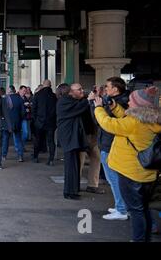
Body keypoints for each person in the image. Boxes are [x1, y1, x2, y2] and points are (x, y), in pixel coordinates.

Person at [93, 86, 161, 242]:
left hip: (131, 173)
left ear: (138, 106)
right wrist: (114, 107)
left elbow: (109, 124)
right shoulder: (151, 119)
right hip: (147, 173)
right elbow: (126, 117)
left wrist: (98, 108)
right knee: (143, 209)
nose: (128, 102)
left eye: (131, 101)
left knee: (135, 211)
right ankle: (145, 238)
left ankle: (138, 240)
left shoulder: (134, 123)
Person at [88, 77, 130, 220]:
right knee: (116, 178)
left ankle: (122, 209)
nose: (105, 89)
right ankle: (121, 206)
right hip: (108, 142)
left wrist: (96, 106)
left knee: (114, 178)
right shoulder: (118, 101)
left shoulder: (118, 103)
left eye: (107, 87)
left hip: (110, 143)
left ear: (115, 89)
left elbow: (102, 122)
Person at [56, 83, 90, 200]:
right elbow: (78, 108)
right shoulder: (65, 102)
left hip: (71, 137)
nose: (82, 91)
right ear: (70, 92)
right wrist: (87, 100)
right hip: (69, 137)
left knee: (75, 164)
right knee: (71, 165)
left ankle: (74, 189)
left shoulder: (68, 101)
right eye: (79, 89)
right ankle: (69, 191)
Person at [32, 80, 57, 165]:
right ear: (51, 85)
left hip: (39, 122)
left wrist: (35, 120)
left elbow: (33, 109)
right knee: (51, 141)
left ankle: (36, 157)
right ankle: (51, 159)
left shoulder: (37, 95)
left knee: (37, 140)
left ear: (43, 85)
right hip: (51, 122)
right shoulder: (54, 96)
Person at [2, 86, 25, 162]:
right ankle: (20, 156)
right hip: (16, 122)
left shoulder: (5, 99)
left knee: (5, 139)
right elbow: (23, 112)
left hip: (6, 123)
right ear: (14, 90)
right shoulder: (20, 99)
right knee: (18, 139)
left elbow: (2, 112)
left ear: (9, 91)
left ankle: (4, 155)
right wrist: (19, 119)